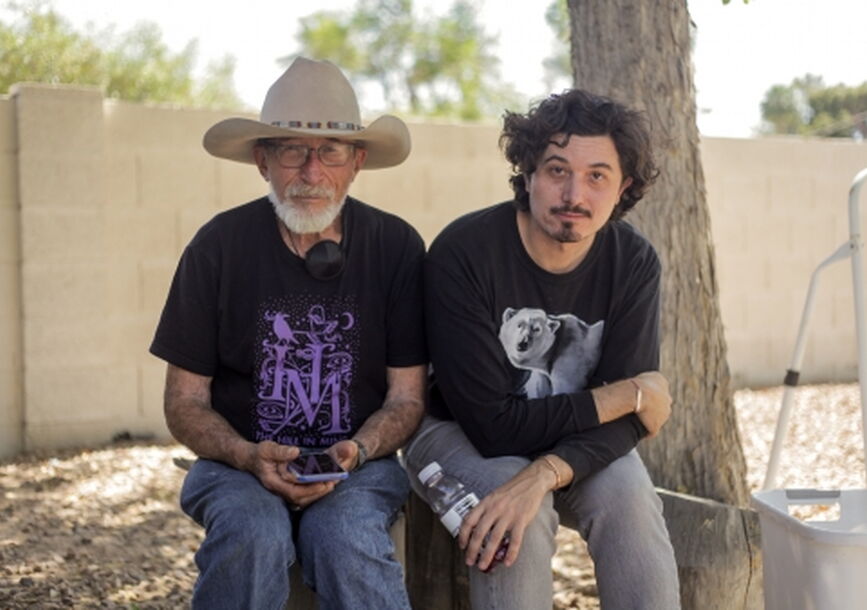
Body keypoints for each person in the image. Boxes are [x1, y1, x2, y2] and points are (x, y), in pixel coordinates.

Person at [149, 57, 426, 609]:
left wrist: (359, 448)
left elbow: (407, 397)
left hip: (360, 469)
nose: (311, 172)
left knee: (345, 536)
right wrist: (247, 454)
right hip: (236, 466)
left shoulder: (397, 249)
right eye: (291, 151)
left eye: (330, 152)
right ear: (262, 161)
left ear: (357, 163)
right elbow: (183, 402)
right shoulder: (217, 248)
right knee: (252, 533)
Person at [404, 89, 681, 609]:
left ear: (623, 187)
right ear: (527, 174)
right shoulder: (464, 254)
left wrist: (548, 472)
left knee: (632, 499)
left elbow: (630, 420)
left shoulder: (633, 262)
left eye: (597, 175)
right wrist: (628, 397)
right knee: (515, 520)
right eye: (557, 170)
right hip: (455, 432)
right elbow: (493, 424)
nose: (574, 193)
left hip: (570, 439)